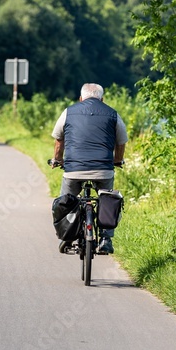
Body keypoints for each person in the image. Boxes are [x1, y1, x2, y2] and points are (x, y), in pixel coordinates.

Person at [51, 83, 128, 255]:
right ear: (102, 99)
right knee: (107, 198)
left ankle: (68, 235)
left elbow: (58, 139)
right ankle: (106, 239)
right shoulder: (113, 114)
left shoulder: (68, 112)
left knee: (66, 200)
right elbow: (121, 141)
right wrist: (117, 160)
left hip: (74, 170)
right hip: (103, 170)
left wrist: (57, 159)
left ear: (80, 98)